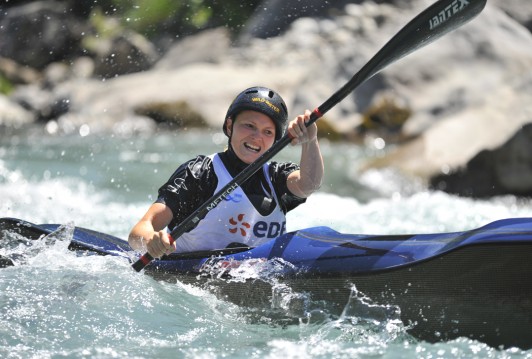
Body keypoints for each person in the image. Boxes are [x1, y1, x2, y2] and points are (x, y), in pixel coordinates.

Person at [128, 86, 324, 258]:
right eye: (249, 126)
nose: (257, 138)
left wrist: (310, 141)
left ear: (275, 140)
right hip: (191, 278)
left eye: (267, 132)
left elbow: (309, 184)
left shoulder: (276, 177)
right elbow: (139, 232)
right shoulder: (200, 173)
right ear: (230, 126)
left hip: (256, 276)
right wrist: (152, 241)